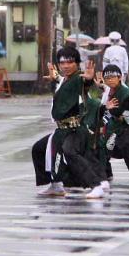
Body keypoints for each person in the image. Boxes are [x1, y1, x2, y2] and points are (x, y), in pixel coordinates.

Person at [31, 47, 109, 199]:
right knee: (39, 149)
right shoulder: (65, 79)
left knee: (70, 152)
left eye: (70, 62)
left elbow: (83, 83)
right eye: (62, 63)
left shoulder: (78, 78)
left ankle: (96, 186)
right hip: (61, 130)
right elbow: (62, 82)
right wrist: (55, 77)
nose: (66, 66)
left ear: (77, 63)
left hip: (74, 130)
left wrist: (88, 79)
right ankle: (55, 185)